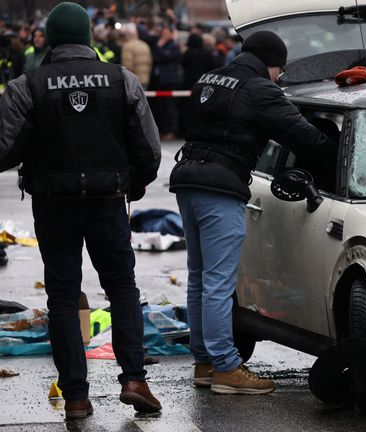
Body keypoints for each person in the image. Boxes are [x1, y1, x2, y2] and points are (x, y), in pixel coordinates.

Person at [0, 2, 162, 420]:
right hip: (108, 201)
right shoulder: (121, 79)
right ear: (89, 38)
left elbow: (3, 148)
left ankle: (75, 396)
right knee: (122, 289)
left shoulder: (27, 86)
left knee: (63, 297)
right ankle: (133, 379)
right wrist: (136, 181)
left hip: (53, 204)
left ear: (50, 40)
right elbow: (148, 148)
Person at [169, 31, 334, 395]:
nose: (280, 78)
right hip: (220, 186)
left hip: (187, 180)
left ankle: (205, 362)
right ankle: (226, 367)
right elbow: (301, 135)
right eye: (280, 70)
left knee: (199, 278)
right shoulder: (259, 88)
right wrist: (332, 153)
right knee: (218, 281)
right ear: (273, 64)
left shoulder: (209, 77)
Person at [120, 23, 152, 89]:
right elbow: (150, 63)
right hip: (145, 79)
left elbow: (127, 66)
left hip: (133, 82)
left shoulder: (127, 46)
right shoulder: (144, 45)